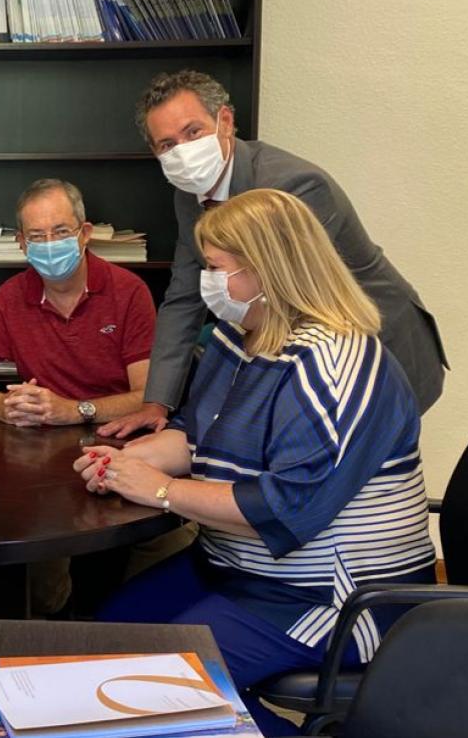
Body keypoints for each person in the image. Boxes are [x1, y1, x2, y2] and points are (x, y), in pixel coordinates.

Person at [75, 189, 437, 737]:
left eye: (217, 269)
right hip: (233, 568)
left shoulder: (333, 363)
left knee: (145, 695)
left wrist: (159, 490)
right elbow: (198, 438)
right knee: (98, 641)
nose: (207, 283)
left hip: (327, 598)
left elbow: (283, 508)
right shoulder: (237, 337)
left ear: (270, 270)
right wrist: (128, 459)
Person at [100, 69, 447, 439]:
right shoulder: (187, 196)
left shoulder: (293, 185)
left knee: (358, 470)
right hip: (301, 346)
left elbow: (290, 301)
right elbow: (184, 297)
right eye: (167, 145)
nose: (182, 151)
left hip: (375, 343)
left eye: (192, 132)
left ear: (226, 122)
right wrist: (157, 402)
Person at [0, 179, 156, 428]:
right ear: (22, 243)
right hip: (40, 437)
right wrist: (0, 406)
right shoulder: (11, 296)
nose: (50, 243)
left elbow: (148, 398)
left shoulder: (129, 291)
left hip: (112, 434)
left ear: (85, 234)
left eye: (62, 231)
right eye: (37, 236)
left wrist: (75, 411)